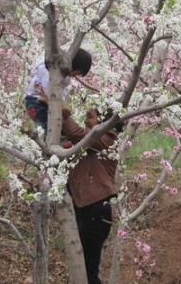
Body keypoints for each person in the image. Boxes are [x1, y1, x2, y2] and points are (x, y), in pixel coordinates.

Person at [60, 108, 123, 284]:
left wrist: (64, 115)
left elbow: (78, 134)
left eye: (92, 117)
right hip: (84, 209)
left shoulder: (109, 141)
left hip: (96, 210)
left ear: (106, 123)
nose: (87, 120)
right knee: (85, 268)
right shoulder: (92, 143)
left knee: (89, 272)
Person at [24, 48, 92, 134]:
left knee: (59, 123)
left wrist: (62, 105)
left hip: (48, 102)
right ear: (73, 65)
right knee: (51, 125)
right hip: (35, 102)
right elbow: (49, 91)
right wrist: (61, 106)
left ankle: (57, 140)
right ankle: (53, 140)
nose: (75, 76)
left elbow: (60, 92)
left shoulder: (64, 77)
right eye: (77, 72)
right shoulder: (47, 70)